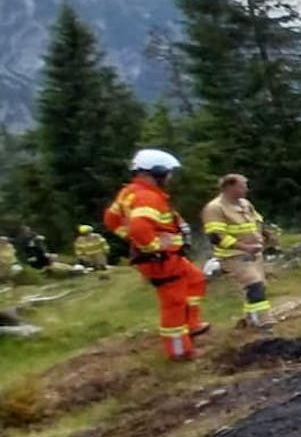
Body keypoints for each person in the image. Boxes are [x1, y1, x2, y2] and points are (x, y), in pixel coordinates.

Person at [105, 149, 209, 361]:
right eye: (169, 173)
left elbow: (111, 219)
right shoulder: (146, 197)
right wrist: (153, 246)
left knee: (195, 279)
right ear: (158, 172)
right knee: (174, 303)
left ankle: (192, 324)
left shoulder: (130, 192)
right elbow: (138, 227)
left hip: (168, 257)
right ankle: (180, 351)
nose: (170, 177)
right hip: (161, 261)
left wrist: (135, 240)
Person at [201, 173, 274, 329]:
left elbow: (257, 220)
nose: (246, 189)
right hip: (234, 256)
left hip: (255, 254)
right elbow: (216, 237)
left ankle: (249, 320)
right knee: (254, 285)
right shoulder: (215, 208)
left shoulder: (245, 203)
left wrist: (265, 235)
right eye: (243, 186)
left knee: (258, 285)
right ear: (229, 187)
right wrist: (245, 247)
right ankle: (264, 322)